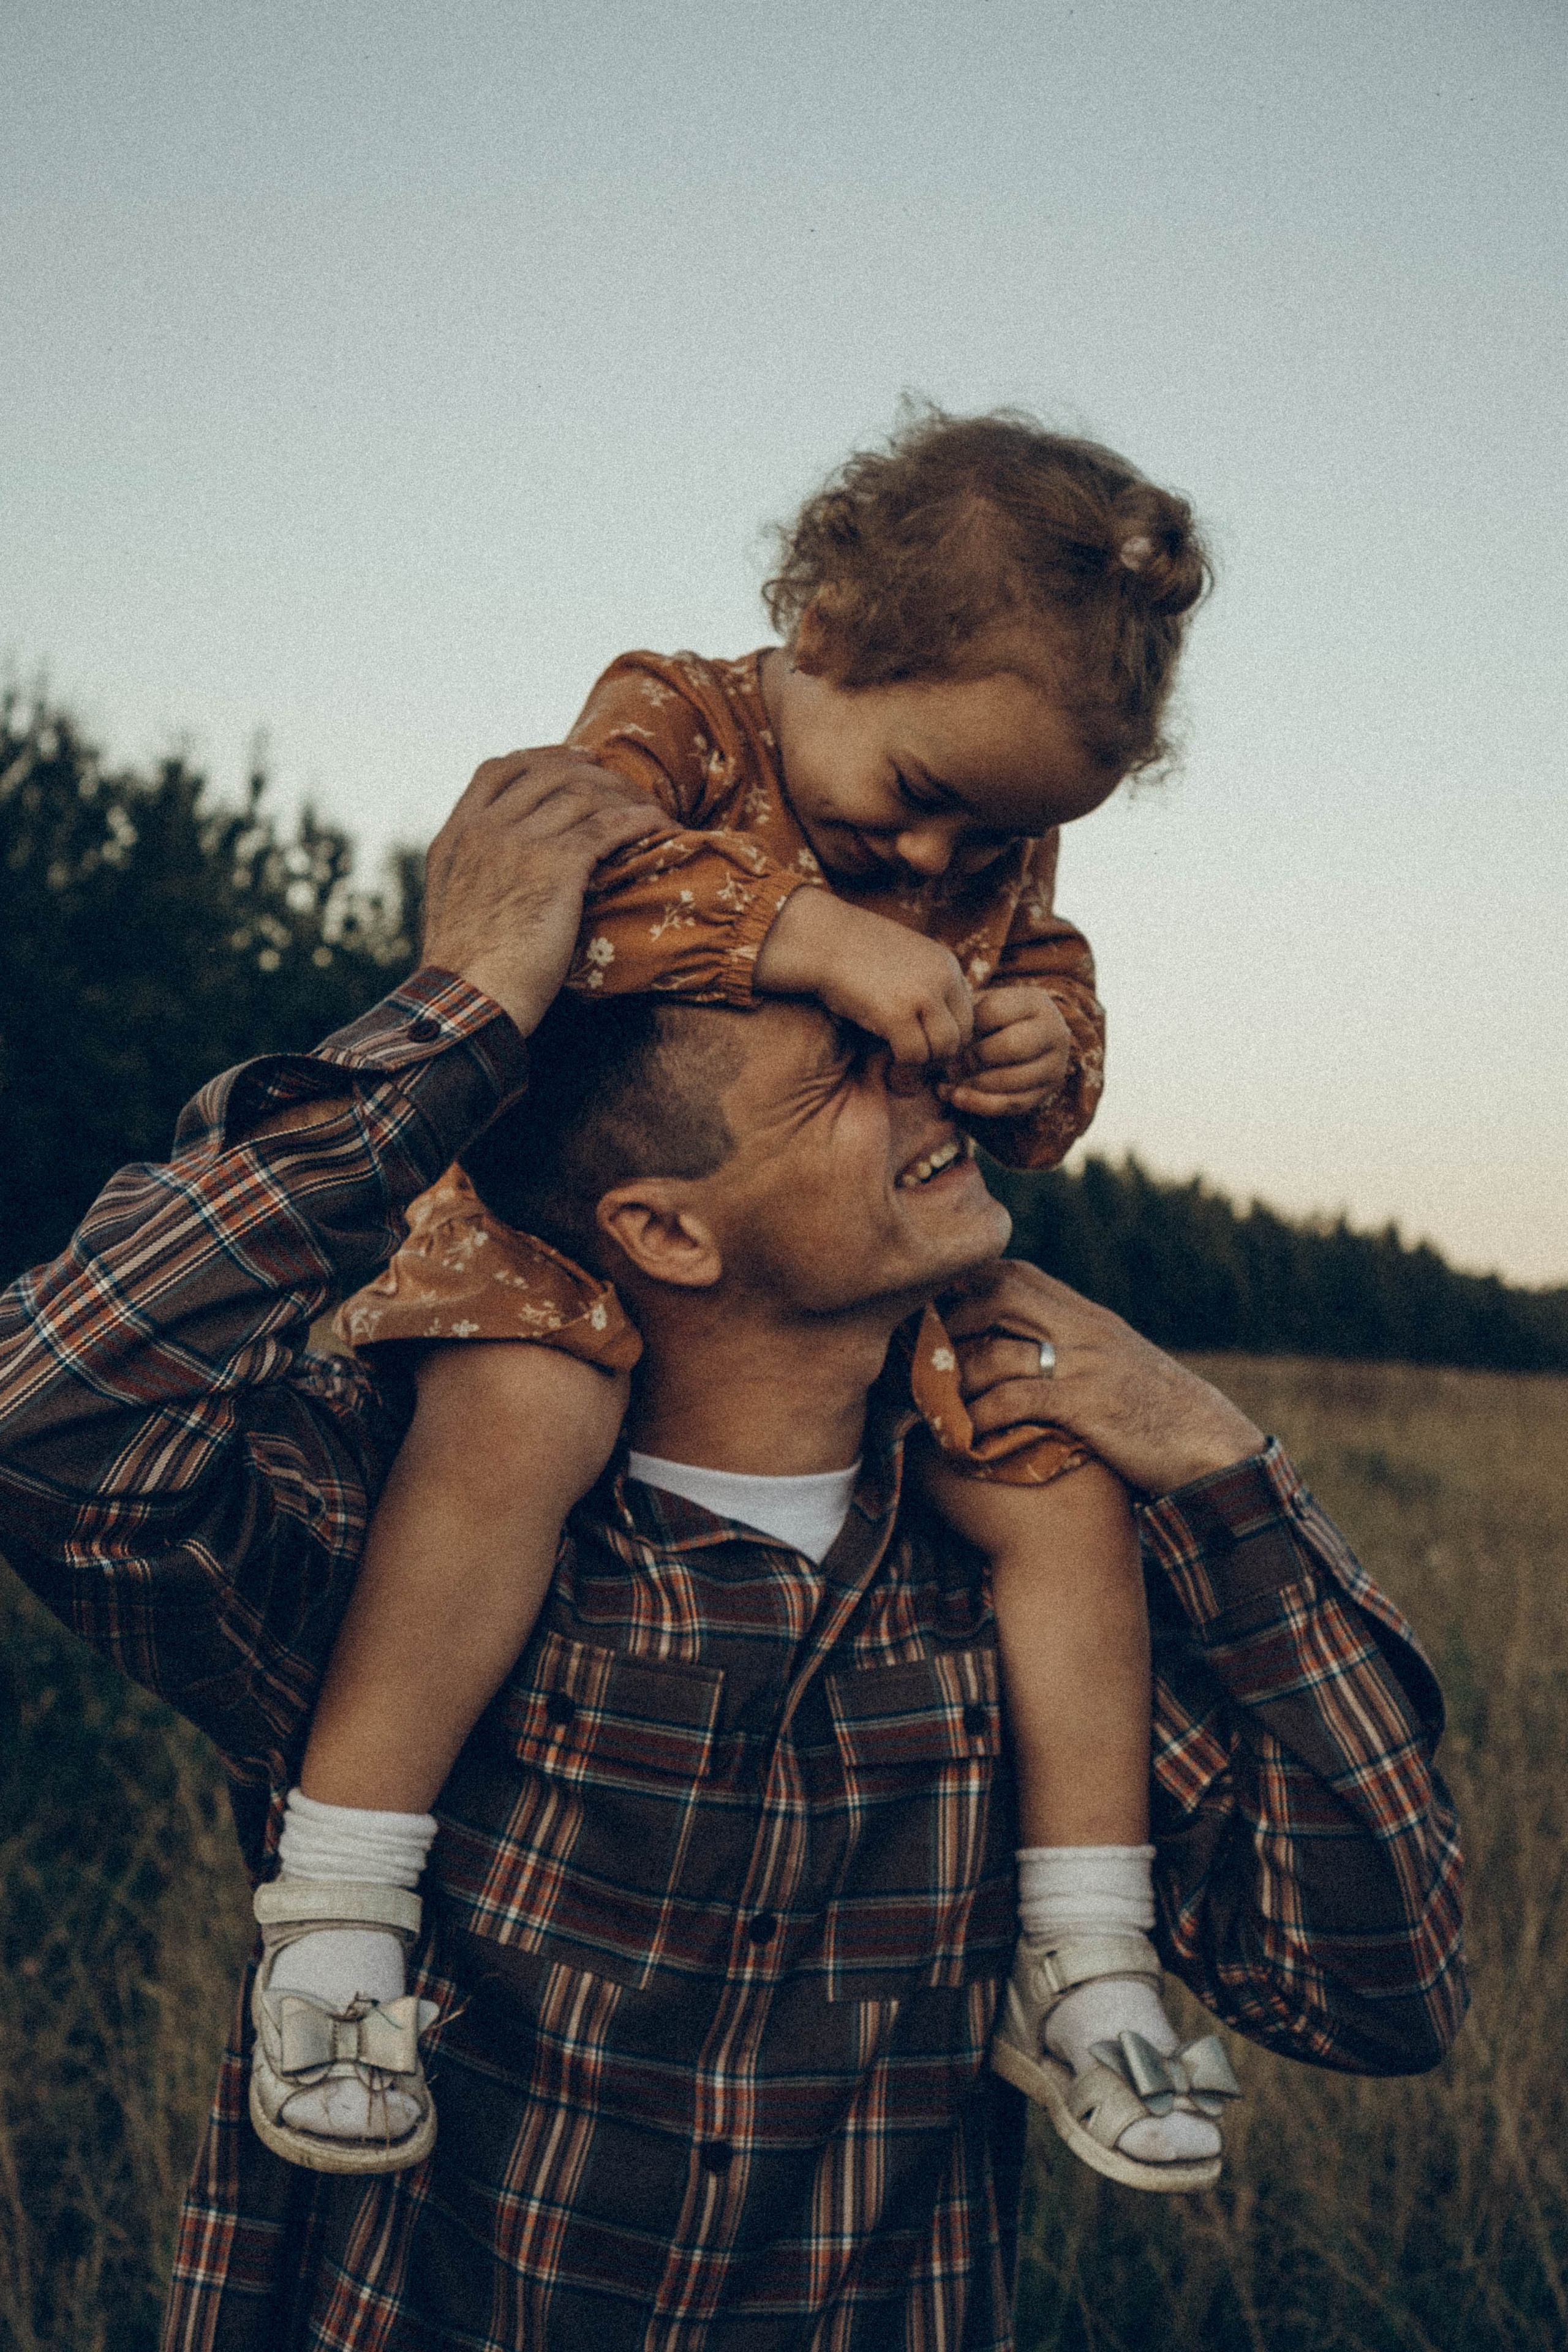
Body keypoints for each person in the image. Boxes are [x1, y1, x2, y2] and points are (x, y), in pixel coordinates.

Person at [0, 752, 1466, 2351]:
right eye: (845, 1071)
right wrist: (466, 1010)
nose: (936, 1068)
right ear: (664, 1230)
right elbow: (44, 1406)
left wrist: (1224, 1470)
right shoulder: (412, 1535)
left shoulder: (1025, 1574)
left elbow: (1374, 1990)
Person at [285, 410, 1219, 2179]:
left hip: (821, 1276)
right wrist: (809, 936)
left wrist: (1043, 1054)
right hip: (556, 1239)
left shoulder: (986, 855)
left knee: (1045, 1471)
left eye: (1001, 838)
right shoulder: (682, 714)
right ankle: (339, 1902)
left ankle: (1088, 1949)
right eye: (926, 798)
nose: (945, 874)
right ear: (828, 627)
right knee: (527, 1409)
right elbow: (572, 892)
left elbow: (1057, 1007)